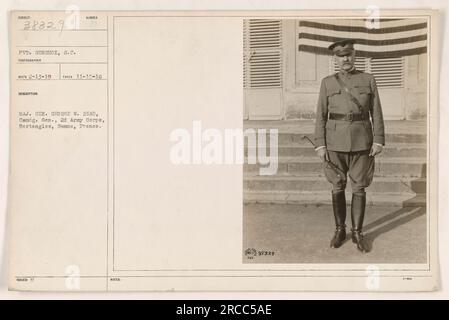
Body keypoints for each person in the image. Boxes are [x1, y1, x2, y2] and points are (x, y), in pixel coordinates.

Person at [314, 39, 385, 253]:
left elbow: (377, 112)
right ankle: (339, 230)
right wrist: (320, 144)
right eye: (340, 55)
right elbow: (320, 115)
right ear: (335, 58)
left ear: (355, 55)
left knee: (359, 187)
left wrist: (379, 139)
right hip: (334, 142)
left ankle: (357, 231)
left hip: (362, 140)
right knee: (337, 186)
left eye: (349, 54)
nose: (345, 58)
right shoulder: (327, 82)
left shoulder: (368, 79)